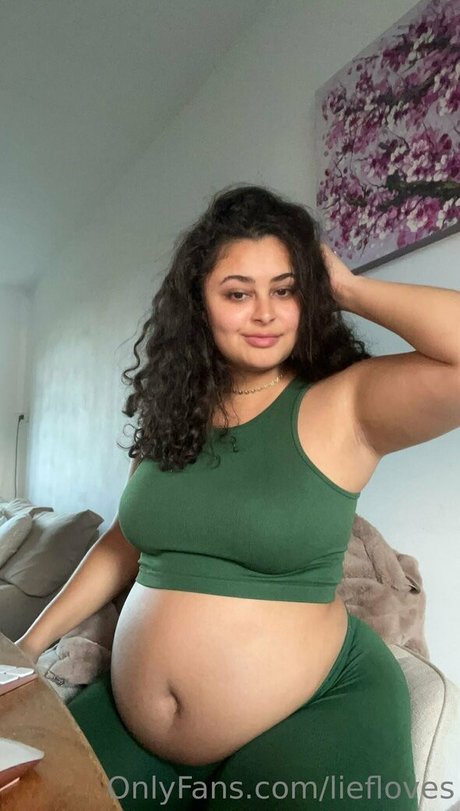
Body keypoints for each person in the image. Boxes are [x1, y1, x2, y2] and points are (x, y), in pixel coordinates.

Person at [15, 185, 460, 810]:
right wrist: (26, 647)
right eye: (238, 293)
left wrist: (348, 286)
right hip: (136, 722)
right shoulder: (174, 415)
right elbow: (124, 543)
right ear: (199, 304)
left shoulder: (342, 403)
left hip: (313, 713)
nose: (266, 313)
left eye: (285, 289)